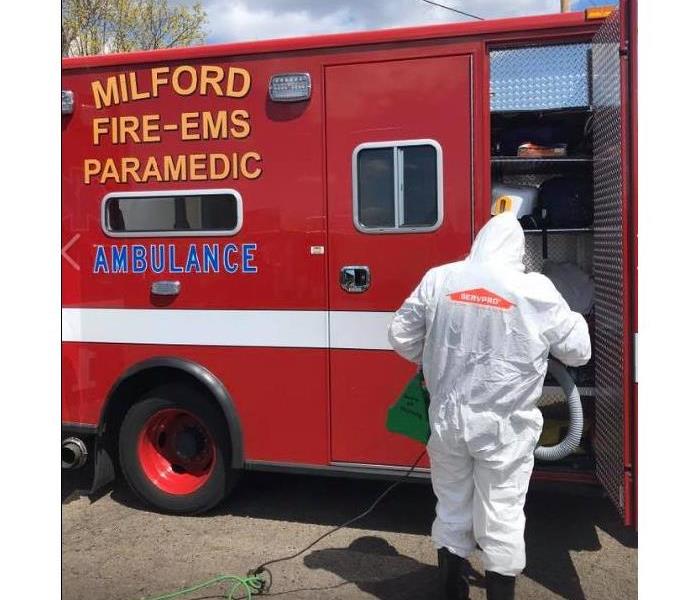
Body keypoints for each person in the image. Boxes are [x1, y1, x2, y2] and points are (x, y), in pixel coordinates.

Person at [387, 211, 591, 600]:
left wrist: (429, 356)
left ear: (479, 241)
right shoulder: (535, 289)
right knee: (502, 515)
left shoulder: (439, 278)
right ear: (519, 250)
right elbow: (579, 353)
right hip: (503, 429)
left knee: (451, 506)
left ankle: (451, 589)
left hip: (446, 422)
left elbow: (400, 336)